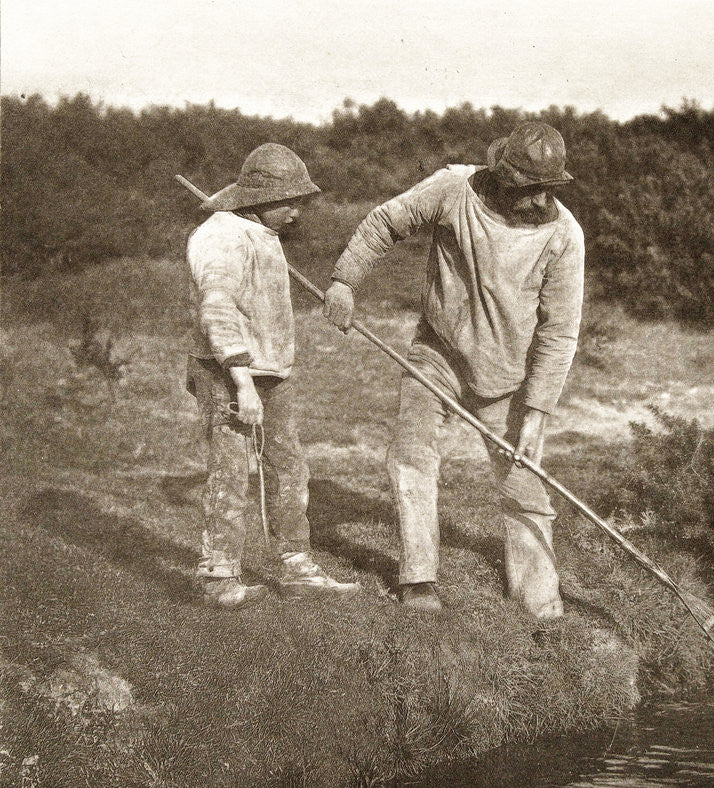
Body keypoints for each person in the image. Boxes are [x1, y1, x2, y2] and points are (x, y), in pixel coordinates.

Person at [323, 122, 584, 619]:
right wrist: (344, 281)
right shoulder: (453, 189)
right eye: (529, 188)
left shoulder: (565, 237)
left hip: (511, 375)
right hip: (437, 354)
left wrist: (538, 411)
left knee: (525, 486)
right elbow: (385, 222)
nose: (538, 200)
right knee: (412, 456)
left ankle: (539, 604)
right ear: (503, 175)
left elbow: (560, 330)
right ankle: (418, 580)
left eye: (548, 189)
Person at [187, 142, 361, 608]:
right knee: (231, 470)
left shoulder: (261, 235)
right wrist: (241, 382)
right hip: (228, 372)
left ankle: (295, 563)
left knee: (288, 467)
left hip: (272, 372)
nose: (299, 212)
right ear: (262, 200)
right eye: (292, 201)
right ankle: (219, 577)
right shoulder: (220, 236)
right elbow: (217, 308)